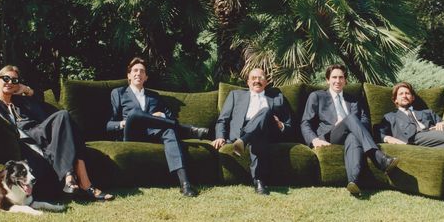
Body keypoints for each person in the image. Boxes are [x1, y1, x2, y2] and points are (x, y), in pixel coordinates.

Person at [0, 65, 113, 201]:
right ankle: (82, 183)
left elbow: (41, 100)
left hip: (38, 131)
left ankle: (69, 178)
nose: (9, 82)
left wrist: (26, 90)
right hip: (24, 138)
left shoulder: (20, 100)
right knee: (68, 125)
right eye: (5, 78)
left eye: (14, 80)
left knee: (64, 116)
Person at [301, 64, 399, 197]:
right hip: (330, 135)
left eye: (341, 77)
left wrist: (352, 125)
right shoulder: (317, 96)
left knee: (353, 136)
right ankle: (377, 157)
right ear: (327, 80)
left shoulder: (354, 100)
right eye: (334, 77)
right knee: (351, 118)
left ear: (345, 80)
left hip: (352, 134)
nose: (338, 81)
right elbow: (305, 122)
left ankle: (353, 182)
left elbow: (365, 121)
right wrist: (314, 140)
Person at [106, 57, 197, 197]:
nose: (138, 73)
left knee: (169, 130)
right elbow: (108, 125)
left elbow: (170, 116)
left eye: (142, 71)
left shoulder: (154, 96)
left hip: (152, 134)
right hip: (131, 134)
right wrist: (122, 123)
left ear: (146, 77)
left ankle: (185, 183)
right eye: (135, 70)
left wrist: (162, 116)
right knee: (135, 114)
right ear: (129, 75)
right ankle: (185, 129)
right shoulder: (118, 93)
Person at [212, 67, 292, 195]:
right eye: (253, 78)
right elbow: (223, 119)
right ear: (248, 82)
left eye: (261, 77)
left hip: (267, 131)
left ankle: (244, 141)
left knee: (265, 111)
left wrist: (280, 124)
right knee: (257, 135)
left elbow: (289, 125)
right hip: (242, 131)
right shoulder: (235, 95)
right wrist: (220, 136)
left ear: (266, 82)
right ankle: (259, 181)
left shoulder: (277, 97)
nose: (257, 80)